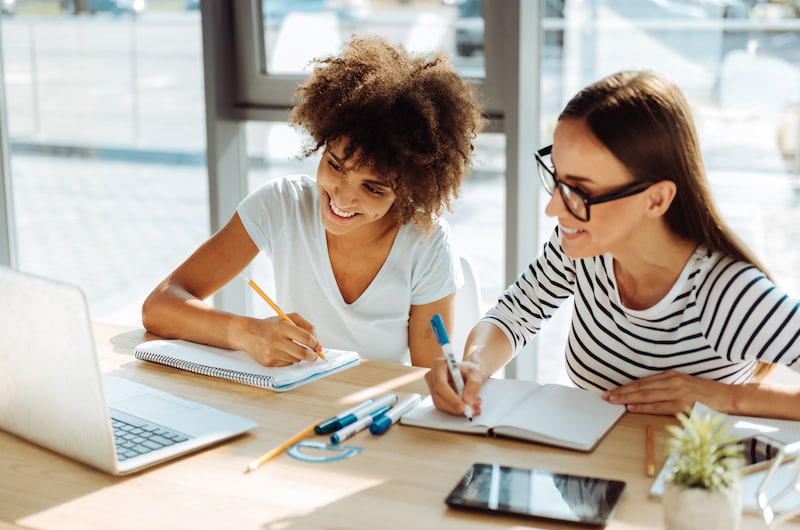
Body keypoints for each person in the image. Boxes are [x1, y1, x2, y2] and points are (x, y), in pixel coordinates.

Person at [425, 70, 800, 420]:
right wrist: (474, 364)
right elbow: (514, 316)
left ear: (655, 200)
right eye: (556, 178)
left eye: (580, 191)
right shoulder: (588, 250)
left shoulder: (726, 293)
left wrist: (722, 398)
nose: (553, 207)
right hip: (589, 476)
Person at [141, 35, 484, 368]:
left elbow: (429, 380)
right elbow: (159, 306)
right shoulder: (280, 205)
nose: (343, 197)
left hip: (373, 416)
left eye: (374, 188)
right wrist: (247, 333)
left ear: (408, 190)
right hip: (293, 405)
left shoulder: (426, 242)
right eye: (335, 165)